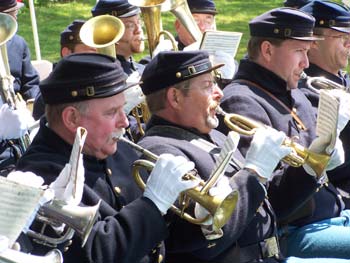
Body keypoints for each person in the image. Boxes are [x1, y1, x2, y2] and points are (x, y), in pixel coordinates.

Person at [137, 49, 350, 263]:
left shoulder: (215, 136)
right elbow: (207, 243)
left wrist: (309, 167)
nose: (219, 93)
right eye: (207, 85)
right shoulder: (160, 151)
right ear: (175, 97)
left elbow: (274, 205)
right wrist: (253, 173)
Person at [16, 53, 199, 263]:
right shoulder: (40, 174)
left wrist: (201, 221)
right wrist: (153, 204)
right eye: (112, 112)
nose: (124, 121)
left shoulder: (116, 147)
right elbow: (91, 254)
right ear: (72, 118)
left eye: (123, 108)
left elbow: (162, 238)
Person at [218, 7, 350, 259]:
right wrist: (313, 166)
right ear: (267, 50)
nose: (306, 62)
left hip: (334, 214)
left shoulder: (293, 93)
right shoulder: (242, 101)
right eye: (299, 51)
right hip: (295, 231)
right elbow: (272, 204)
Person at [299, 0, 350, 206]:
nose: (349, 44)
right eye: (342, 38)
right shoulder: (307, 91)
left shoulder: (342, 81)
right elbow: (332, 166)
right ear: (314, 41)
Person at [32, 19, 97, 121]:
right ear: (67, 53)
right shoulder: (51, 93)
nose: (98, 55)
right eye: (91, 50)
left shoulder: (98, 78)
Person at [91, 0, 145, 75]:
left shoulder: (140, 69)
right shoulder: (104, 75)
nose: (138, 30)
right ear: (109, 33)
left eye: (139, 22)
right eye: (130, 25)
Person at [1, 0, 39, 101]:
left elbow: (30, 82)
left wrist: (33, 102)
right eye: (13, 14)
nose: (16, 18)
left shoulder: (18, 43)